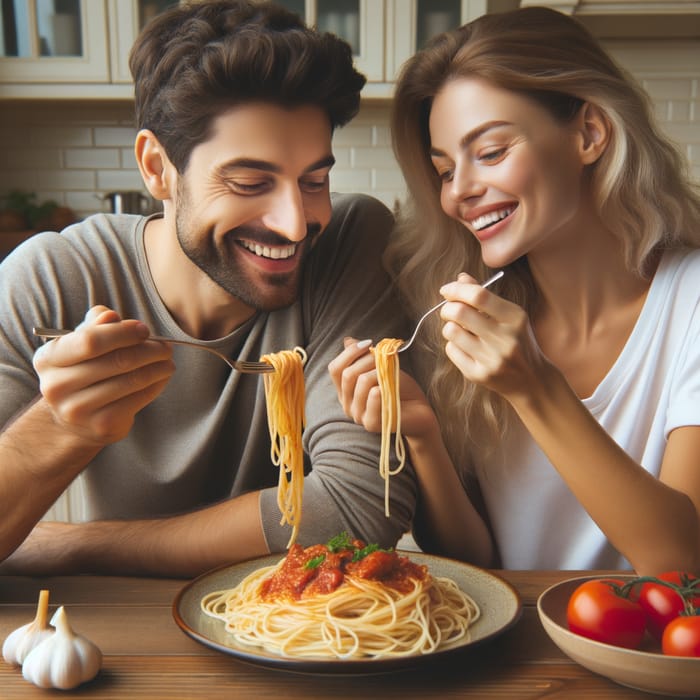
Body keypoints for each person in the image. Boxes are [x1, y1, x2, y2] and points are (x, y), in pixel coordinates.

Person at [0, 0, 416, 577]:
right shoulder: (51, 281)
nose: (295, 224)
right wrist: (62, 428)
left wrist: (77, 544)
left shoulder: (350, 241)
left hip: (295, 630)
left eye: (314, 180)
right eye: (250, 182)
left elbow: (360, 507)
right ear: (157, 168)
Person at [330, 6, 700, 574]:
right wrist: (425, 437)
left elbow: (684, 563)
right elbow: (476, 566)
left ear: (589, 134)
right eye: (446, 170)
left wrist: (534, 389)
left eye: (492, 151)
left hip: (647, 653)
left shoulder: (690, 301)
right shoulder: (467, 321)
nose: (460, 194)